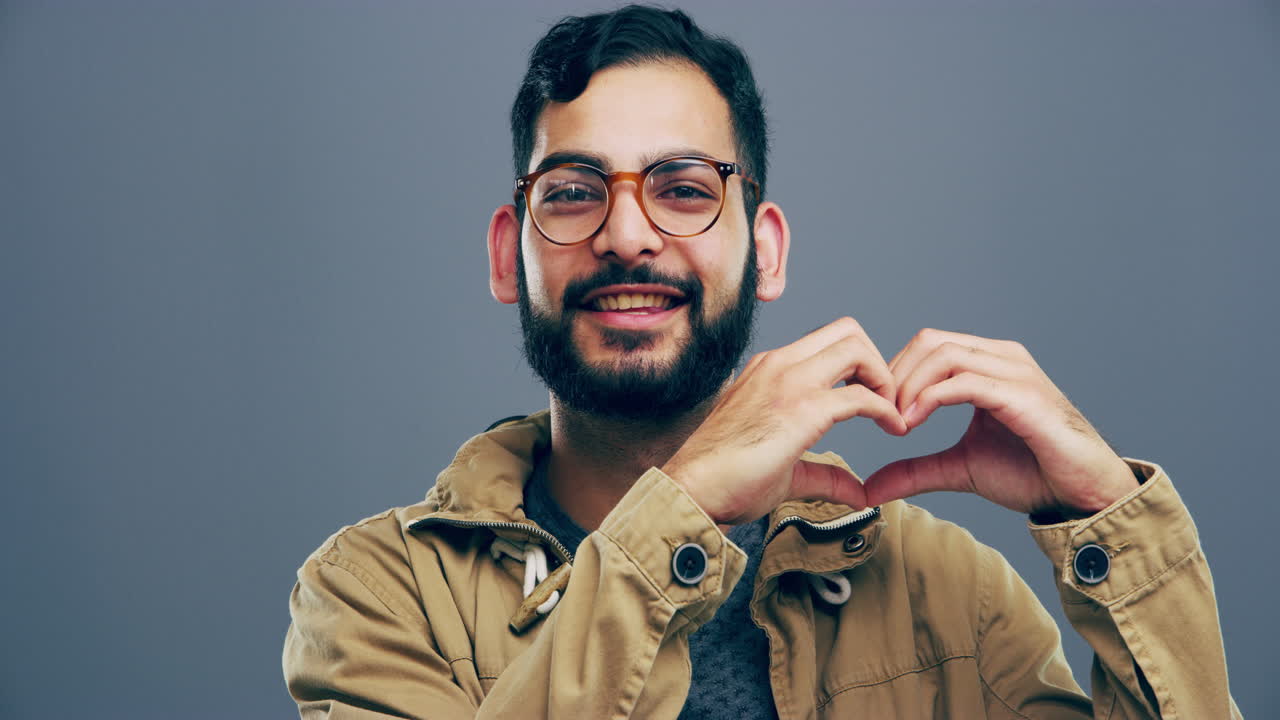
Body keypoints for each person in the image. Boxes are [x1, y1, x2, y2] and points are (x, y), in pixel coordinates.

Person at [283, 6, 1239, 718]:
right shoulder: (372, 594)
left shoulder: (940, 588)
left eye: (685, 188)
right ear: (509, 253)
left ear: (767, 250)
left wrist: (1108, 518)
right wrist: (678, 515)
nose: (627, 235)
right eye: (573, 192)